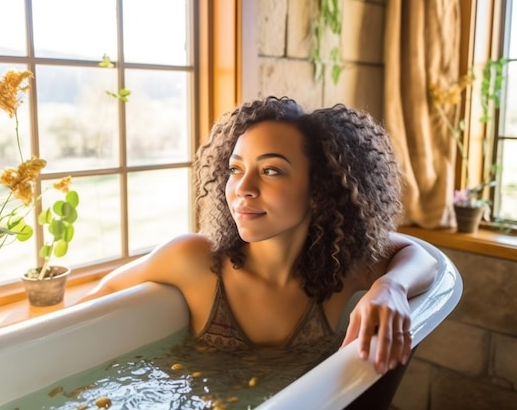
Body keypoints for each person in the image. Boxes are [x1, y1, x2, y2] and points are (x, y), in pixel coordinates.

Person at [82, 97, 437, 375]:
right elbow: (99, 299)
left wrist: (391, 288)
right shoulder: (194, 261)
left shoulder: (343, 270)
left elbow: (421, 258)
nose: (243, 189)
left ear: (321, 187)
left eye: (271, 170)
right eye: (235, 169)